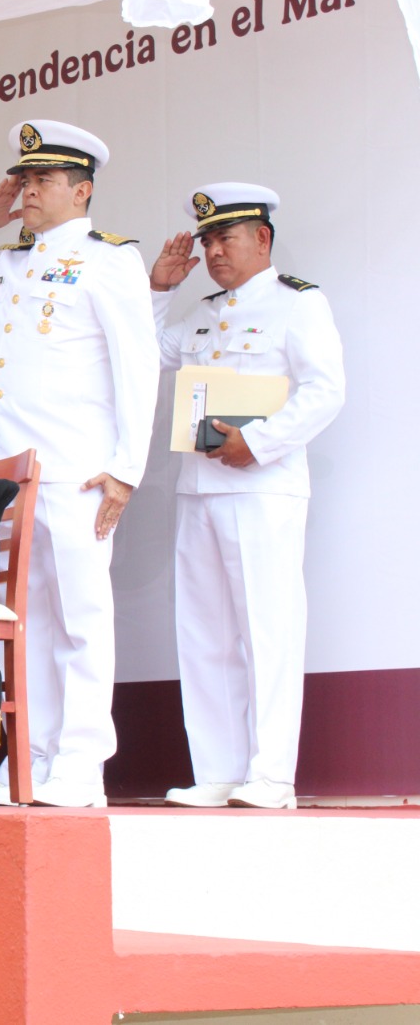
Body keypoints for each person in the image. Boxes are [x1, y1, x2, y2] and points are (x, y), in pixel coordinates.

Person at [0, 120, 159, 808]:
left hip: (78, 469)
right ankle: (31, 758)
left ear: (81, 191)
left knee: (82, 618)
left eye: (41, 180)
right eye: (22, 180)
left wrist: (125, 468)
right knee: (24, 624)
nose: (26, 191)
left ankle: (81, 764)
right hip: (7, 476)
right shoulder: (2, 265)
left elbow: (136, 367)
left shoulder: (109, 260)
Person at [150, 185, 345, 810]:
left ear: (262, 238)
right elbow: (148, 351)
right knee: (204, 632)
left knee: (269, 627)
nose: (212, 251)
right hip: (201, 488)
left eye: (223, 238)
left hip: (263, 485)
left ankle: (271, 776)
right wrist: (160, 290)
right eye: (206, 241)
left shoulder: (298, 304)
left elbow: (325, 391)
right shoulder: (202, 311)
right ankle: (218, 771)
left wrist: (257, 444)